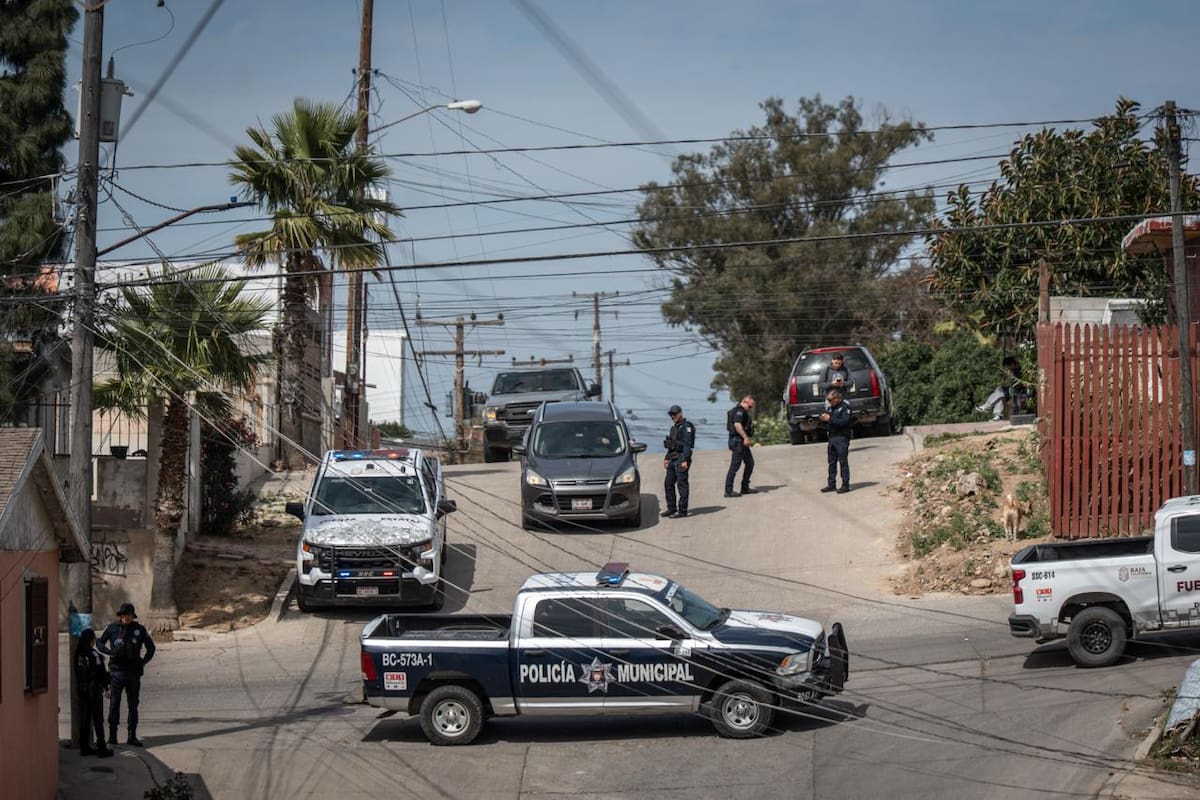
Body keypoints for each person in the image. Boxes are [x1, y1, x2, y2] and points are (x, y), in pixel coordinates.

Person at [98, 602, 156, 747]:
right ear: (120, 616)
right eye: (124, 615)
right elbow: (99, 643)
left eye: (129, 615)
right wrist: (109, 652)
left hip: (133, 673)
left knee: (133, 705)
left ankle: (132, 736)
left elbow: (151, 648)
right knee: (114, 705)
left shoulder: (139, 629)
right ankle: (112, 736)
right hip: (116, 672)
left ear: (132, 616)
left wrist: (143, 662)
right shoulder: (112, 628)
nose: (126, 618)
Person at [74, 628, 114, 757]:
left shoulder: (78, 653)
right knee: (97, 719)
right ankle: (102, 747)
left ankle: (84, 748)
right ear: (91, 640)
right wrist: (106, 687)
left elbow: (79, 672)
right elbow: (100, 672)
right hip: (93, 690)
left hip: (82, 689)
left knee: (85, 719)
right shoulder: (94, 654)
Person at [663, 404, 696, 518]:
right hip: (673, 458)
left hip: (681, 458)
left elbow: (687, 445)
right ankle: (671, 508)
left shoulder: (687, 426)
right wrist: (666, 458)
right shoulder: (674, 428)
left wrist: (685, 460)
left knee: (682, 484)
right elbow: (671, 445)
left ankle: (682, 510)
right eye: (671, 415)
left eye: (675, 414)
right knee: (668, 483)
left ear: (680, 413)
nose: (673, 416)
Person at [820, 389, 853, 493]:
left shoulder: (845, 408)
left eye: (830, 400)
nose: (829, 402)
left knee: (843, 461)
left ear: (837, 398)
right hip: (832, 437)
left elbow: (844, 422)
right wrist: (823, 420)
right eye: (828, 400)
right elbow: (827, 423)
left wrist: (830, 419)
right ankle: (831, 484)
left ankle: (845, 484)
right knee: (831, 462)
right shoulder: (830, 409)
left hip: (842, 437)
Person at [724, 395, 757, 498]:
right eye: (750, 406)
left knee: (750, 463)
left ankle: (745, 487)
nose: (750, 408)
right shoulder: (740, 411)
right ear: (745, 401)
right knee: (735, 466)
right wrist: (745, 437)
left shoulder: (738, 411)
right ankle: (728, 490)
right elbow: (737, 424)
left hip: (739, 442)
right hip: (738, 441)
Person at [977, 356, 1024, 421]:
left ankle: (987, 406)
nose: (1007, 369)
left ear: (1012, 364)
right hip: (1013, 390)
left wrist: (1010, 376)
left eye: (1008, 367)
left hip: (1017, 391)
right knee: (1000, 395)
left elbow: (1017, 384)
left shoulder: (1018, 370)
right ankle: (998, 416)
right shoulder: (1014, 370)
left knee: (1000, 390)